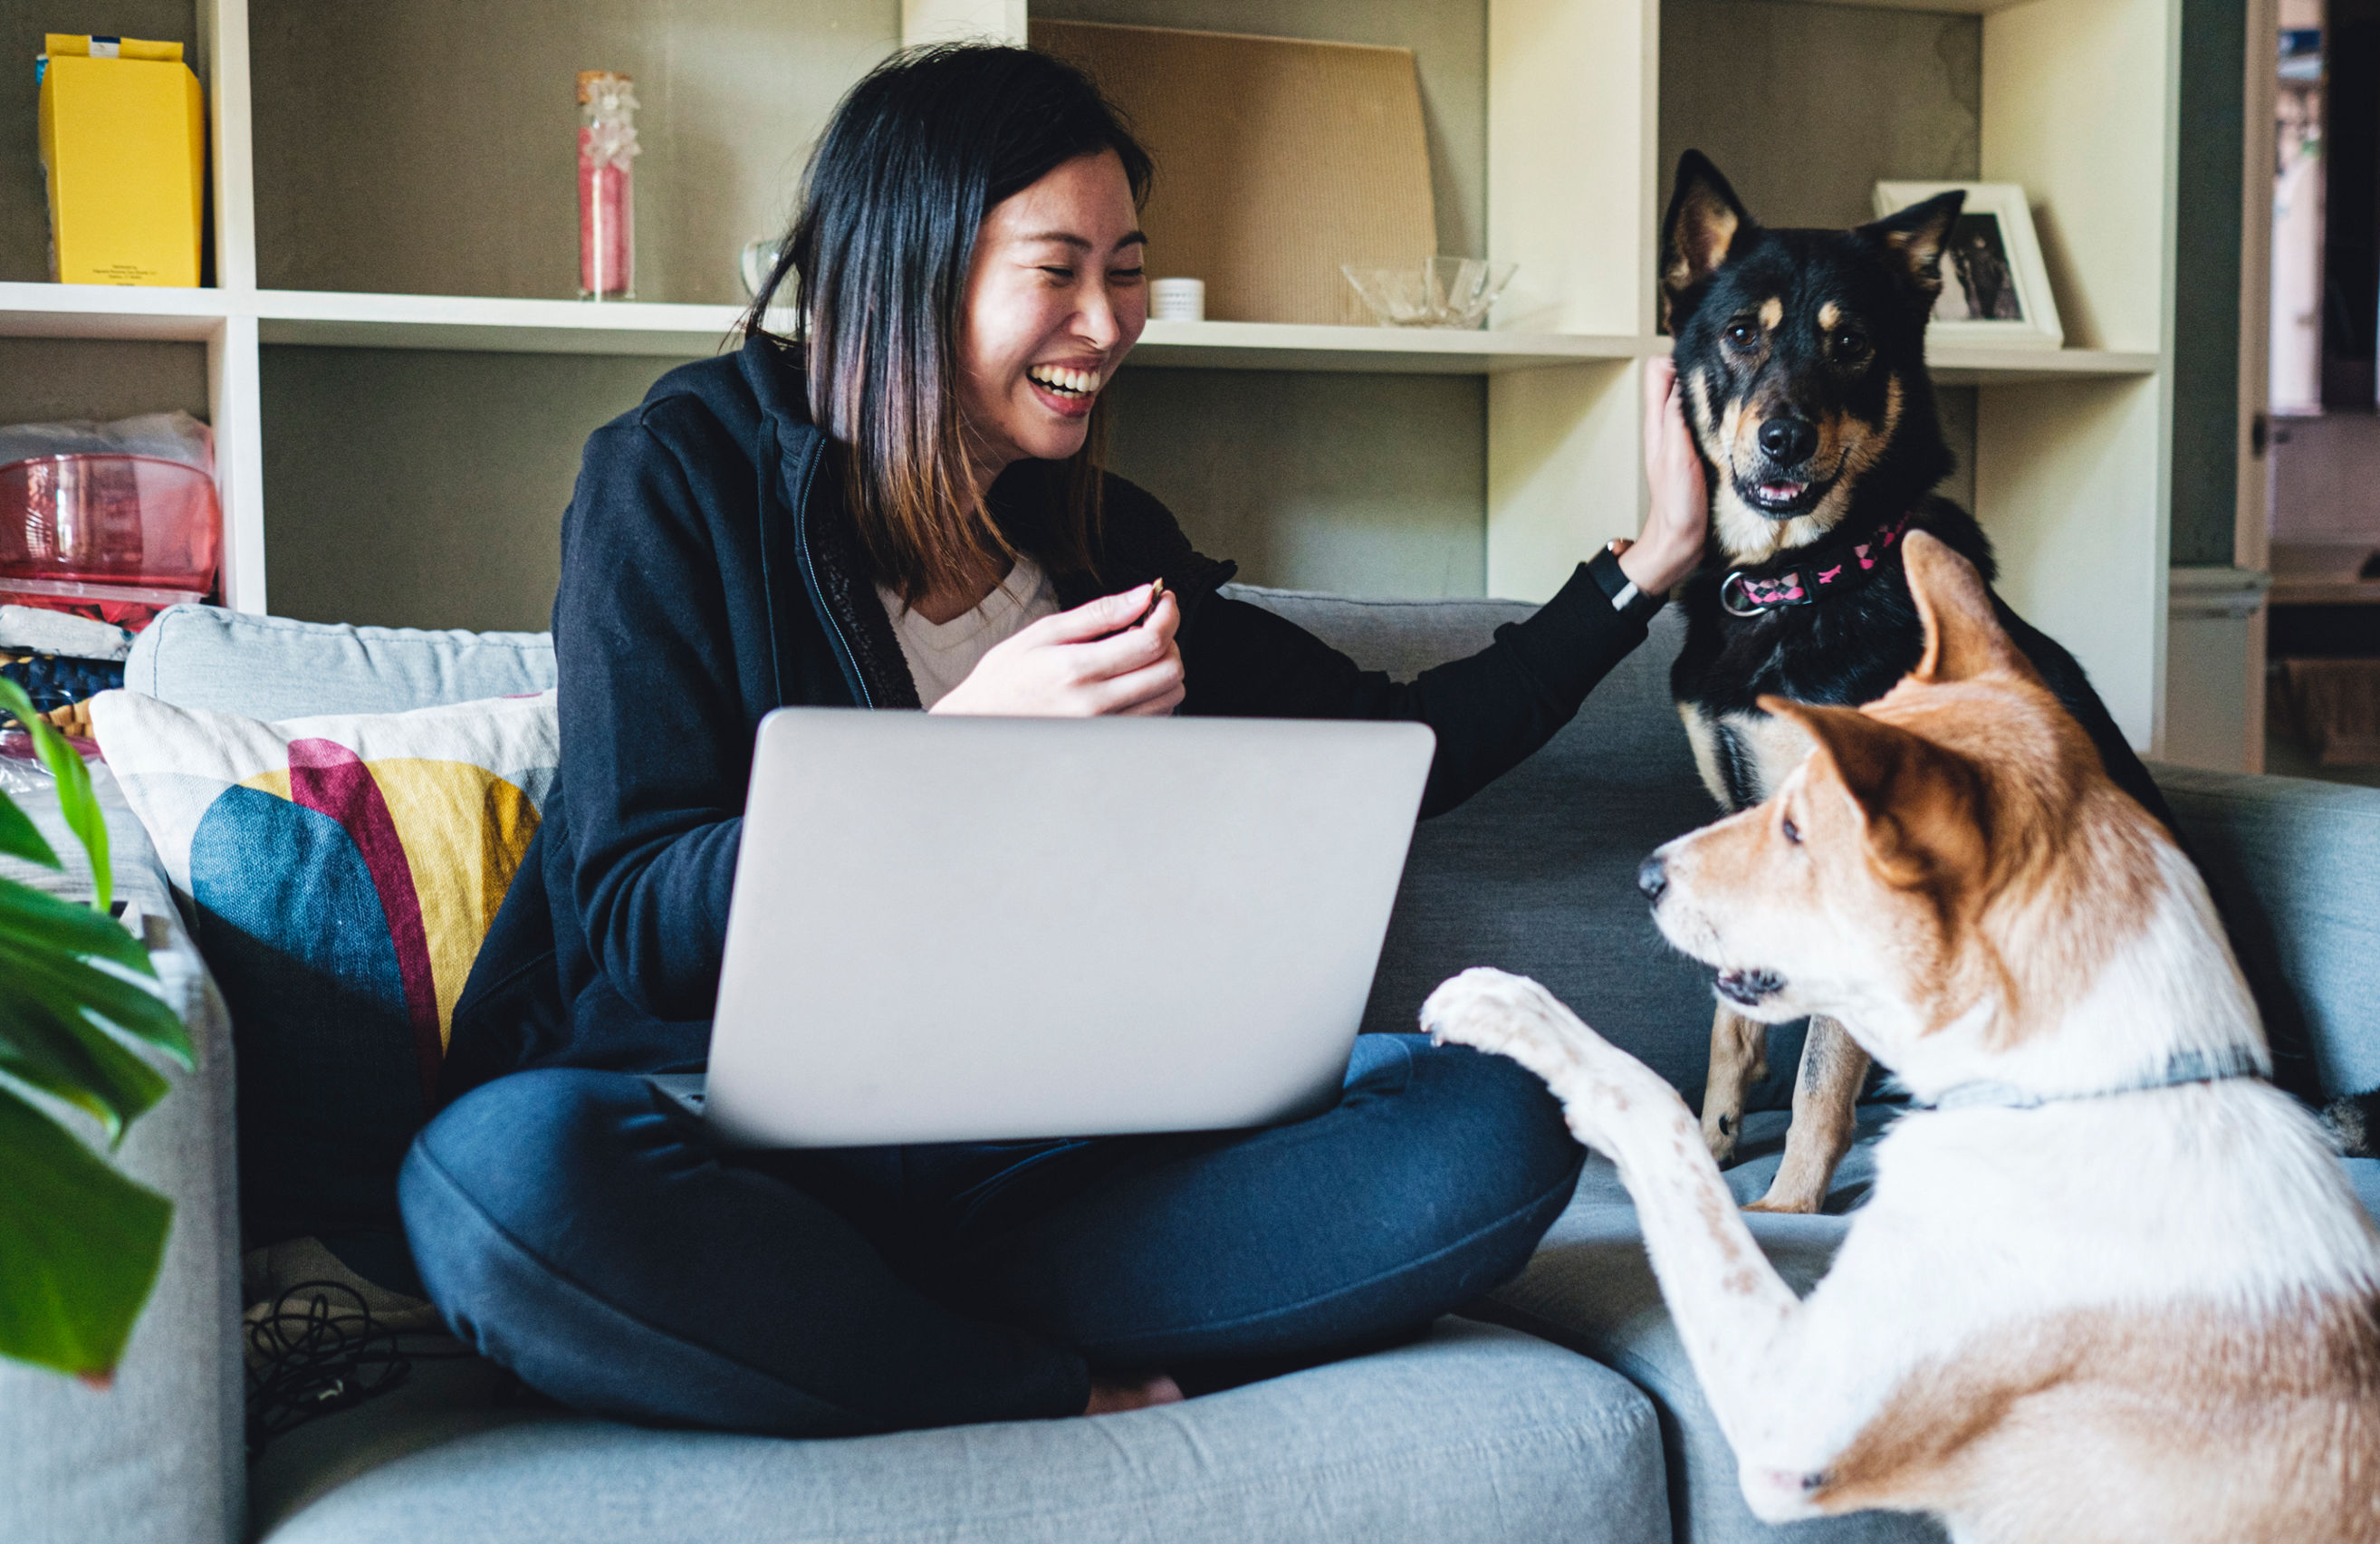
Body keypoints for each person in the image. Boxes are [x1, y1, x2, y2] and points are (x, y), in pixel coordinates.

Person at [402, 42, 1710, 1436]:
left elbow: (1396, 747)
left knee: (1493, 1123)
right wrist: (960, 751)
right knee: (505, 1188)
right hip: (736, 1158)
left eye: (1129, 268)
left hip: (1040, 1175)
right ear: (914, 267)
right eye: (1060, 268)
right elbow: (638, 915)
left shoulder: (1102, 546)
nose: (1111, 320)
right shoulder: (679, 479)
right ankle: (1008, 1374)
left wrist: (1650, 564)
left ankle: (841, 1335)